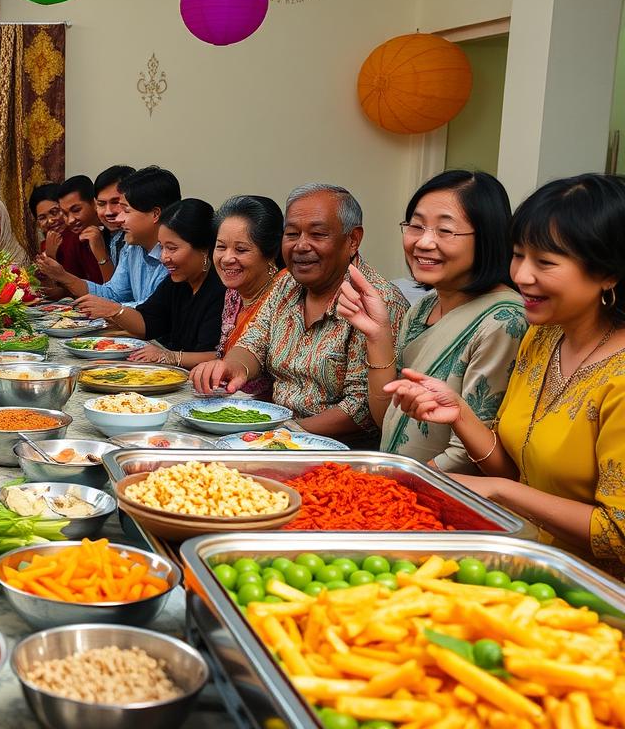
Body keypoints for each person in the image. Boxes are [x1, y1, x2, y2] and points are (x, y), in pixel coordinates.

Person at [387, 174, 625, 573]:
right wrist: (459, 412)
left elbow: (616, 534)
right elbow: (517, 469)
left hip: (588, 590)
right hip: (518, 558)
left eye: (545, 262)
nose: (521, 276)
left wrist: (500, 491)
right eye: (518, 255)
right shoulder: (542, 338)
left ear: (609, 273)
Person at [337, 171, 525, 473]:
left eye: (445, 231)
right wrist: (378, 335)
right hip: (402, 482)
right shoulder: (424, 306)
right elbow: (388, 416)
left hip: (440, 499)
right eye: (416, 226)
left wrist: (391, 488)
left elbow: (465, 454)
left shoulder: (504, 320)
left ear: (488, 237)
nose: (423, 242)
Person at [191, 183, 409, 444]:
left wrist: (285, 432)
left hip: (337, 451)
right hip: (279, 435)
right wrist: (233, 367)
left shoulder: (378, 301)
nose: (301, 246)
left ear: (353, 240)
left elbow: (361, 410)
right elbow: (253, 343)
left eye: (317, 234)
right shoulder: (286, 284)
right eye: (292, 234)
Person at [90, 198, 225, 368]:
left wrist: (170, 356)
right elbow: (148, 323)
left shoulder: (221, 289)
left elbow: (218, 357)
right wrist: (115, 311)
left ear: (204, 248)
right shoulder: (177, 281)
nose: (163, 258)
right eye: (162, 247)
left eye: (172, 248)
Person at [39, 166, 179, 314]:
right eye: (101, 204)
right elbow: (112, 294)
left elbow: (155, 312)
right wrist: (62, 276)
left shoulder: (174, 256)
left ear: (155, 214)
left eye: (125, 210)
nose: (117, 217)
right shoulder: (132, 247)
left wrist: (112, 309)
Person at [210, 195, 286, 402]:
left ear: (270, 253)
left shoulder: (284, 292)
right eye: (221, 247)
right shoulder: (234, 292)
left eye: (241, 249)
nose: (227, 259)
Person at [58, 175, 111, 281]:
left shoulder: (114, 230)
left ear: (94, 203)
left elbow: (117, 292)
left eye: (76, 210)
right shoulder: (72, 237)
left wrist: (100, 252)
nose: (70, 220)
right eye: (64, 213)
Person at [93, 164, 135, 266]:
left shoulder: (138, 240)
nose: (109, 212)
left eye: (116, 202)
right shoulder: (98, 235)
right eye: (101, 204)